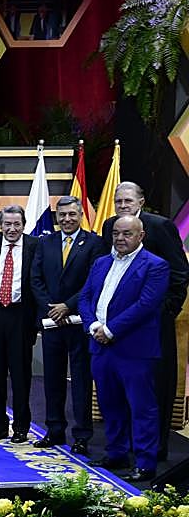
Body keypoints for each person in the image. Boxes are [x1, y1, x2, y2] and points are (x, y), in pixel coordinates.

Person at [101, 182, 189, 462]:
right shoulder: (109, 227)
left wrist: (164, 313)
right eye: (118, 201)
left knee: (153, 388)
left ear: (141, 201)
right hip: (117, 326)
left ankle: (156, 448)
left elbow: (179, 274)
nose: (122, 205)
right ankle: (123, 447)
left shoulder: (161, 226)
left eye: (128, 200)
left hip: (153, 324)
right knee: (120, 386)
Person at [81, 215, 170, 482]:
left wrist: (111, 330)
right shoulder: (100, 263)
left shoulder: (156, 266)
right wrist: (94, 325)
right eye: (117, 233)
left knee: (142, 408)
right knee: (110, 405)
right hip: (100, 347)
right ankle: (116, 453)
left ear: (140, 236)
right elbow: (85, 297)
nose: (120, 238)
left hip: (134, 350)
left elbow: (145, 305)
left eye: (127, 234)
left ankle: (145, 462)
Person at [30, 197, 103, 456]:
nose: (67, 219)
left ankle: (82, 435)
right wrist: (51, 307)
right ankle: (54, 430)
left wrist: (67, 306)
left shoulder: (94, 243)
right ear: (56, 217)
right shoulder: (45, 242)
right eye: (62, 215)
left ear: (81, 214)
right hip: (52, 324)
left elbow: (93, 281)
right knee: (52, 379)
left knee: (81, 381)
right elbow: (35, 278)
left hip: (79, 323)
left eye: (72, 214)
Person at [0, 205, 39, 443]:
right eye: (7, 224)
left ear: (24, 225)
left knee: (21, 375)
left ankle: (21, 426)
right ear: (0, 225)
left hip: (21, 318)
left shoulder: (36, 247)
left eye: (17, 224)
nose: (12, 229)